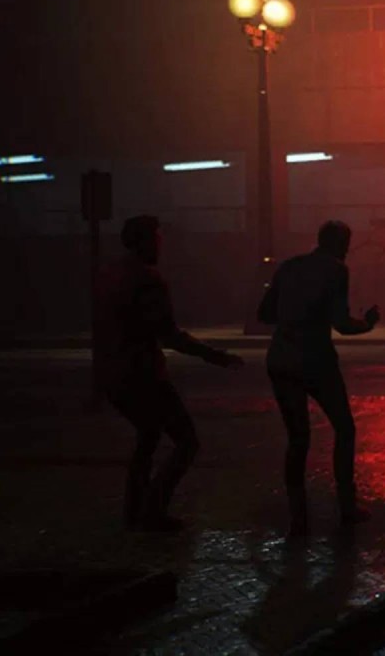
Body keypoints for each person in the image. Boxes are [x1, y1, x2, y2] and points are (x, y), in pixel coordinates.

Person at [95, 215, 243, 533]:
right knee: (186, 442)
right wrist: (215, 356)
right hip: (143, 374)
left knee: (148, 436)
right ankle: (152, 510)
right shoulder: (147, 280)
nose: (161, 246)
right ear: (145, 242)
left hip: (114, 372)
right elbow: (169, 334)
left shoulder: (110, 275)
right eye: (157, 239)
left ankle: (134, 509)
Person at [258, 220, 379, 540]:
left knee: (298, 439)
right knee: (344, 428)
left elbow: (265, 314)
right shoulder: (336, 270)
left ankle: (298, 518)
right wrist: (367, 323)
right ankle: (347, 507)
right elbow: (342, 324)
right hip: (315, 359)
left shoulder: (289, 267)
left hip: (281, 357)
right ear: (342, 244)